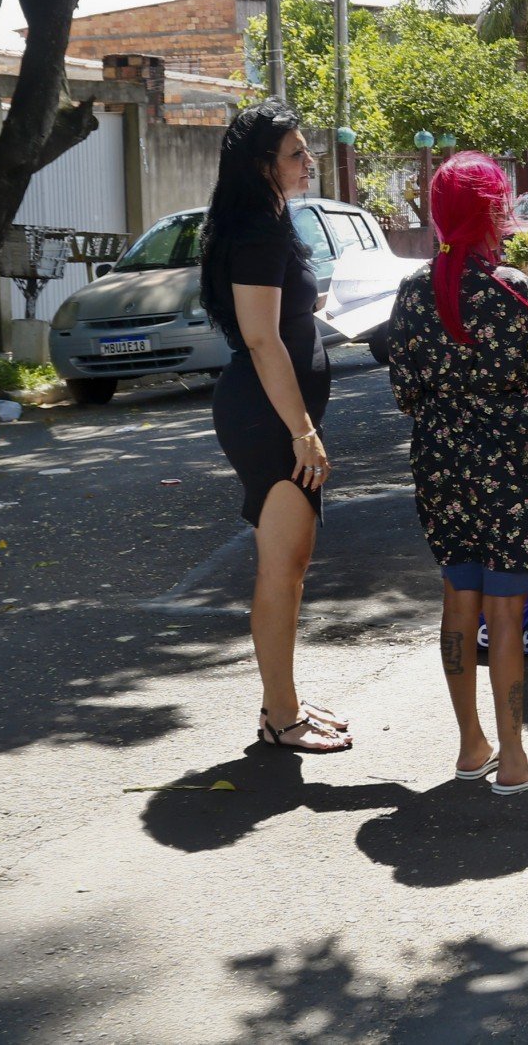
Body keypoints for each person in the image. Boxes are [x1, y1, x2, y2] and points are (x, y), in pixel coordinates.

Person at [387, 152, 528, 795]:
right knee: (506, 608)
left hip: (439, 463)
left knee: (459, 598)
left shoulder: (412, 291)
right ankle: (515, 761)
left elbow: (405, 390)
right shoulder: (514, 288)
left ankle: (472, 747)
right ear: (496, 214)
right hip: (510, 465)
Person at [199, 100, 349, 754]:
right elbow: (262, 339)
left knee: (288, 565)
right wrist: (303, 430)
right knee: (281, 568)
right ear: (263, 164)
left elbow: (283, 313)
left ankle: (280, 702)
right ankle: (281, 719)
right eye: (296, 152)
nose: (308, 160)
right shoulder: (259, 226)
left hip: (271, 411)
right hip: (267, 418)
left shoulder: (268, 219)